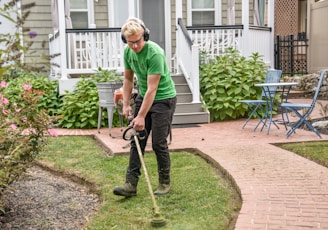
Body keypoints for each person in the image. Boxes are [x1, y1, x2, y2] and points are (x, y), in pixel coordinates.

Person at [113, 17, 177, 197]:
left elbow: (152, 88)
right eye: (130, 42)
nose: (134, 46)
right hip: (144, 96)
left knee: (158, 142)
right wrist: (125, 104)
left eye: (138, 41)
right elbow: (127, 79)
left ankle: (164, 182)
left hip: (163, 99)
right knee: (137, 140)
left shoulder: (154, 53)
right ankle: (130, 185)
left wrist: (141, 116)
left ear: (145, 36)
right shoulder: (128, 52)